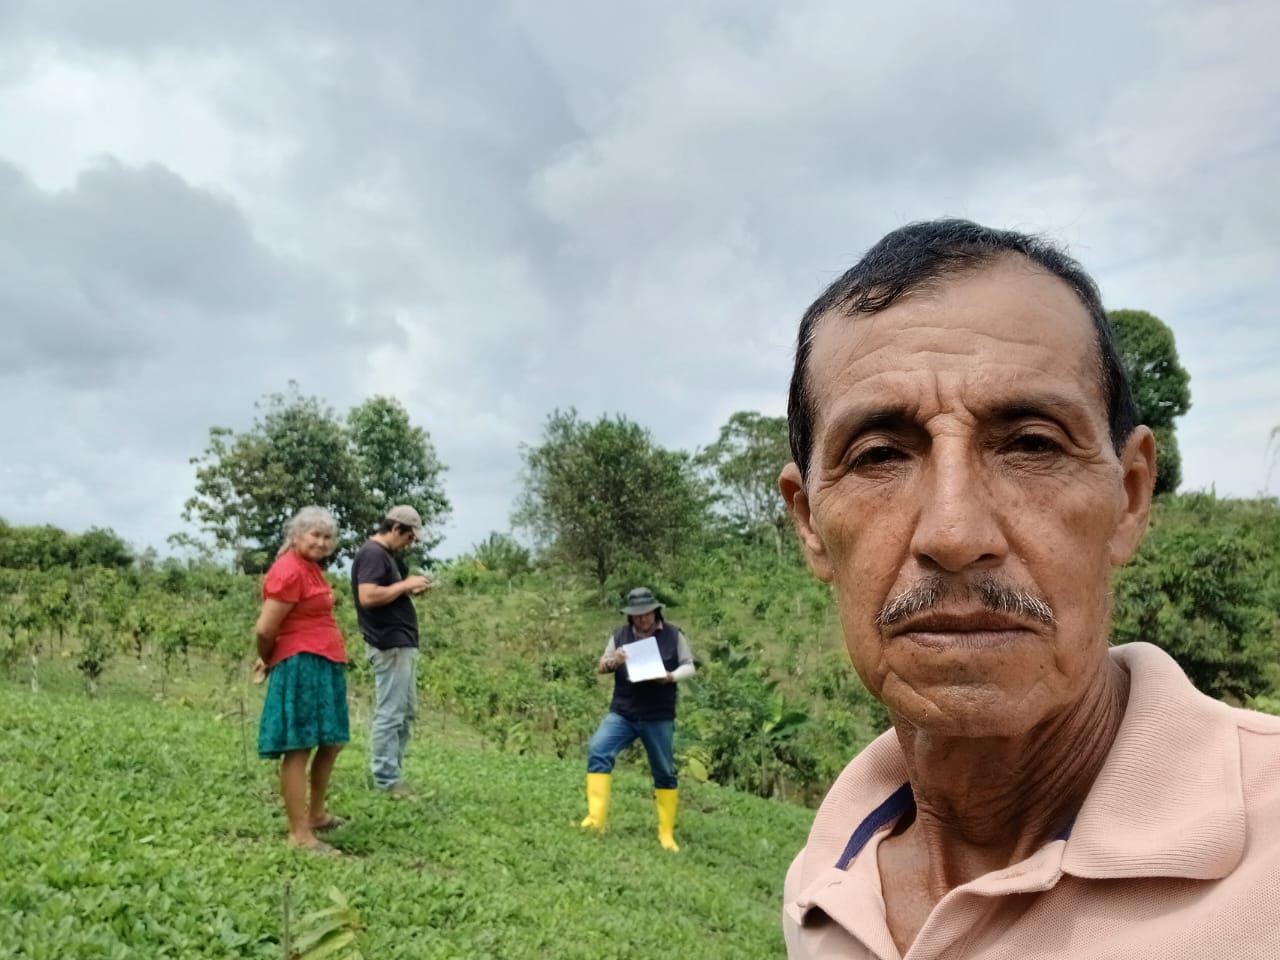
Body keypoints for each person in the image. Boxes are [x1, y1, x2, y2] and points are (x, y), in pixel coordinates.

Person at [777, 219, 1280, 958]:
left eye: (1032, 444)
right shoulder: (828, 884)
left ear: (1130, 498)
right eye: (880, 455)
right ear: (810, 523)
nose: (953, 533)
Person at [255, 506, 350, 855]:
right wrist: (267, 658)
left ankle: (317, 814)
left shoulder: (309, 568)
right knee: (299, 746)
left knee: (331, 741)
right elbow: (265, 628)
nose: (322, 542)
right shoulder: (289, 571)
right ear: (296, 536)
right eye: (315, 535)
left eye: (327, 537)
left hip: (323, 662)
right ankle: (299, 834)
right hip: (301, 665)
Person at [579, 586, 696, 852]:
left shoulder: (673, 635)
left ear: (656, 612)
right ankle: (595, 820)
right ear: (630, 615)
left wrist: (670, 677)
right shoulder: (619, 635)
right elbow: (601, 666)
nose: (643, 619)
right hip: (623, 712)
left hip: (658, 715)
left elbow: (689, 665)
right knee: (598, 749)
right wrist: (615, 660)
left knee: (664, 770)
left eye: (647, 614)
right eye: (637, 615)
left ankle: (666, 834)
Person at [351, 504, 432, 796]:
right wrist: (405, 585)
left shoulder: (386, 556)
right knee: (391, 713)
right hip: (389, 643)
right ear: (396, 528)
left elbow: (385, 594)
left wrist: (407, 589)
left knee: (405, 712)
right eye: (409, 537)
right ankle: (386, 780)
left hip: (400, 643)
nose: (410, 544)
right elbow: (368, 596)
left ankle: (393, 775)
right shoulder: (373, 553)